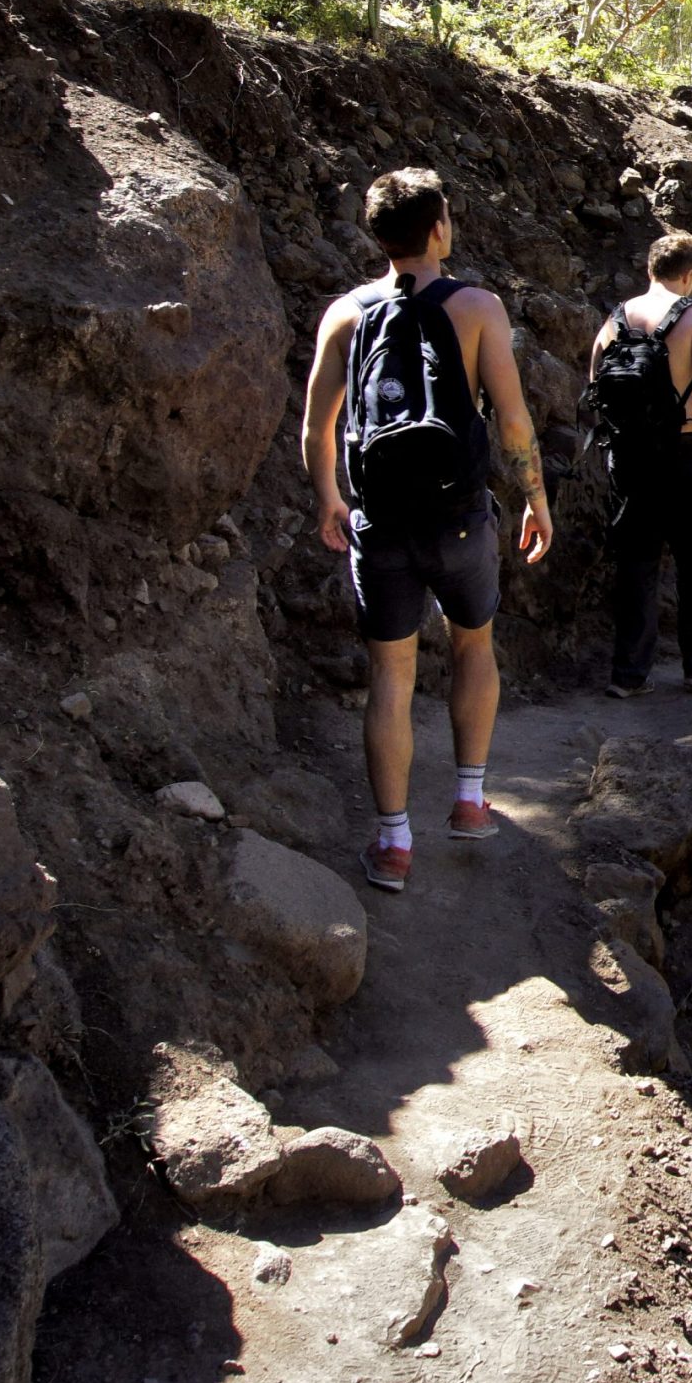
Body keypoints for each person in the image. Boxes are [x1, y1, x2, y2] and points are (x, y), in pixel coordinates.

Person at [302, 168, 553, 895]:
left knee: (391, 673)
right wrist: (535, 496)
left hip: (379, 521)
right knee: (474, 644)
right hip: (460, 519)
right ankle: (470, 801)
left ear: (378, 235)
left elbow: (318, 425)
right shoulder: (477, 307)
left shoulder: (345, 313)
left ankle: (392, 845)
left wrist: (329, 500)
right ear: (438, 227)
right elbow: (510, 420)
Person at [591, 231, 692, 698]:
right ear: (689, 275)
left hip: (630, 457)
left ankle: (628, 675)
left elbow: (595, 381)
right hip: (684, 452)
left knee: (636, 561)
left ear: (649, 270)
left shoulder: (617, 317)